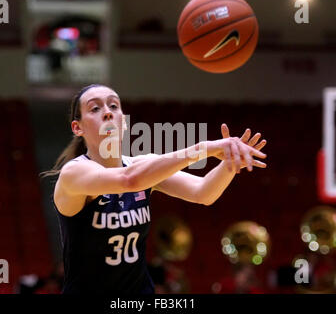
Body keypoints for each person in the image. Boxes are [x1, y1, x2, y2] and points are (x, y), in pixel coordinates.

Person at [41, 84, 267, 294]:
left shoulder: (142, 165)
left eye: (114, 105)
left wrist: (228, 164)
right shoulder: (74, 173)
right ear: (77, 127)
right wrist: (204, 148)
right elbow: (129, 180)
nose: (108, 112)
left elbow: (203, 192)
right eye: (95, 108)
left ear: (124, 122)